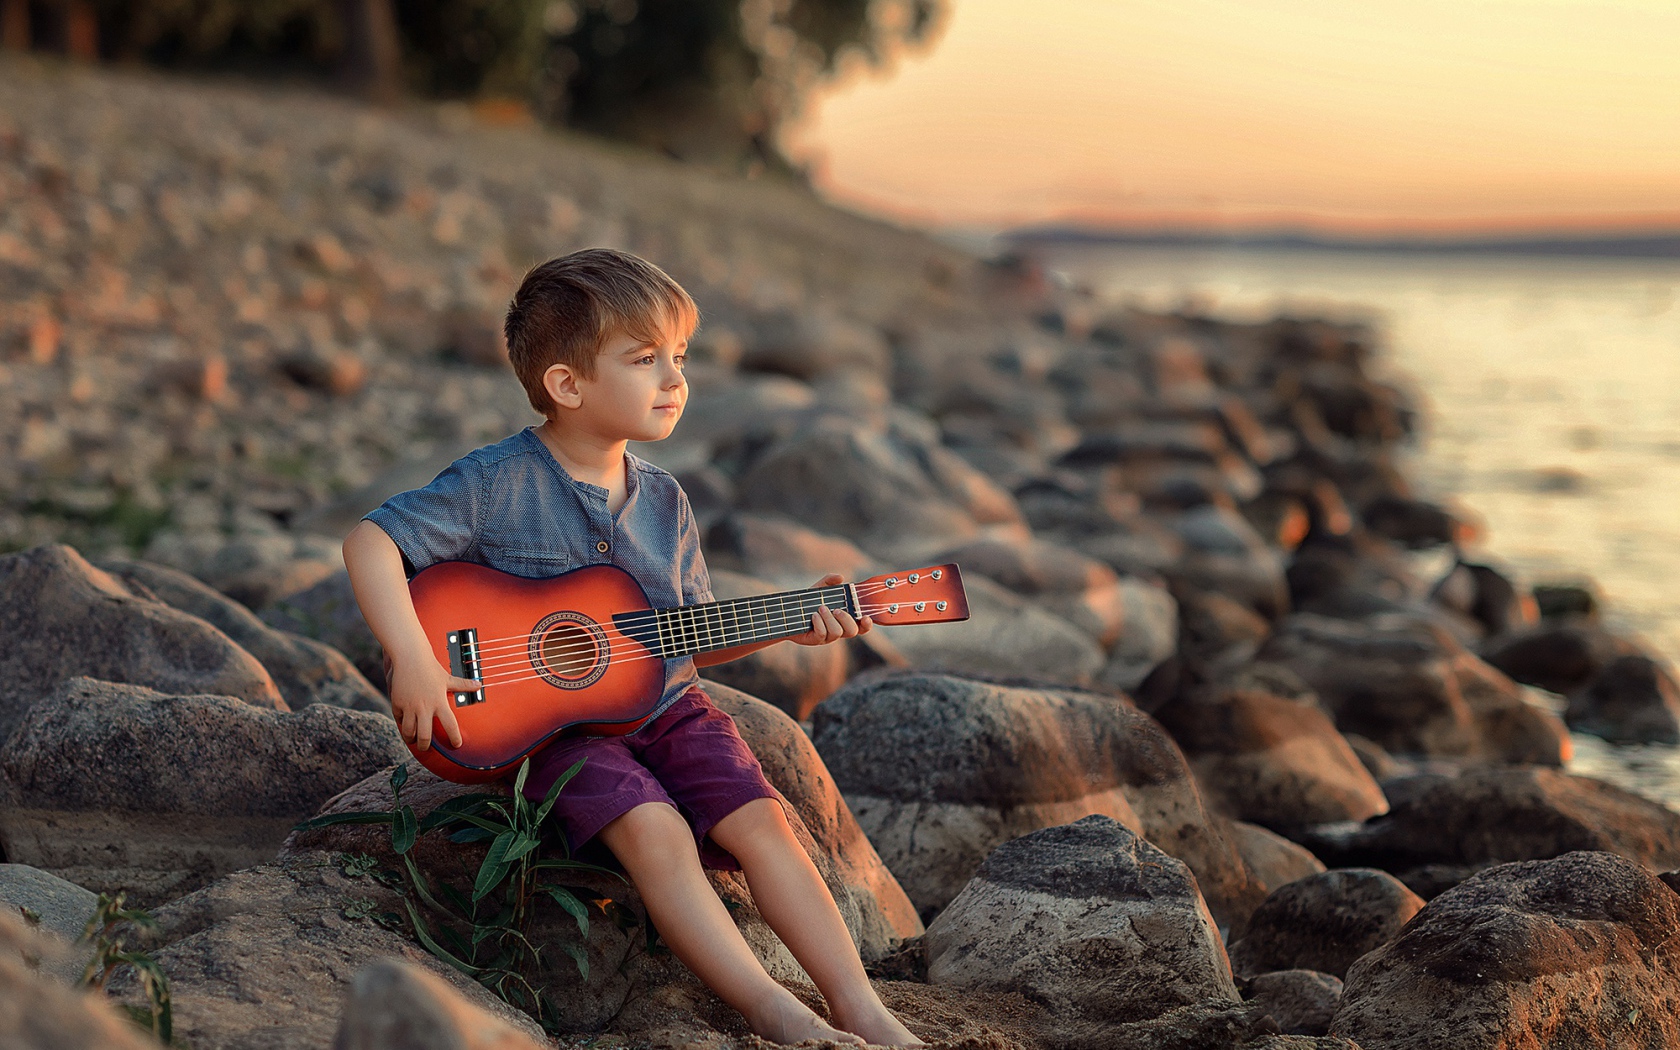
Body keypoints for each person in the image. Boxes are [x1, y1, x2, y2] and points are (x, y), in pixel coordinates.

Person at [341, 248, 921, 1047]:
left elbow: (686, 640)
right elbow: (372, 540)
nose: (676, 381)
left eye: (679, 358)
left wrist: (793, 621)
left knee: (764, 822)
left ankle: (862, 1008)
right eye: (646, 360)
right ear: (567, 385)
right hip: (551, 729)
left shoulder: (667, 500)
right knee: (656, 831)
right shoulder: (496, 480)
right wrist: (412, 654)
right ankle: (772, 1010)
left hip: (668, 708)